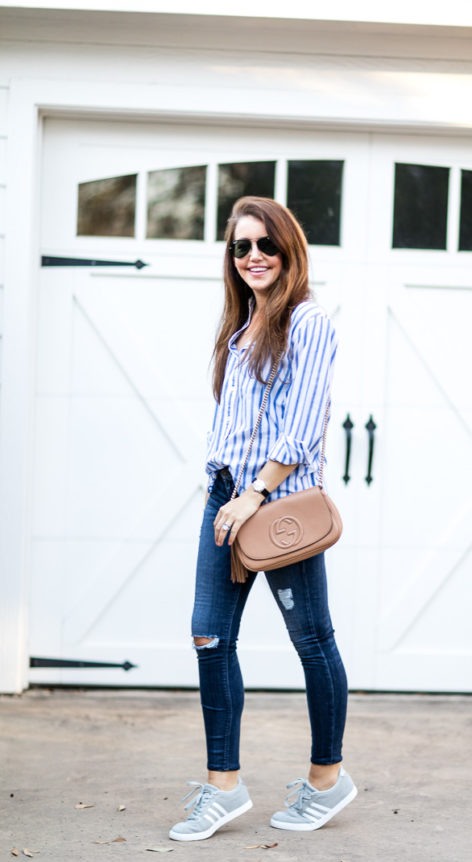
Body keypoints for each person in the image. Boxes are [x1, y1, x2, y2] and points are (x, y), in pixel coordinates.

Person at [169, 196, 356, 842]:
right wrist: (226, 492)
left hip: (277, 506)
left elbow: (301, 428)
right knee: (208, 636)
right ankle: (224, 786)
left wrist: (254, 493)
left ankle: (328, 778)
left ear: (288, 250)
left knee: (313, 640)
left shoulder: (309, 322)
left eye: (264, 245)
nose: (252, 256)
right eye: (240, 247)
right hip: (227, 497)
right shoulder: (242, 323)